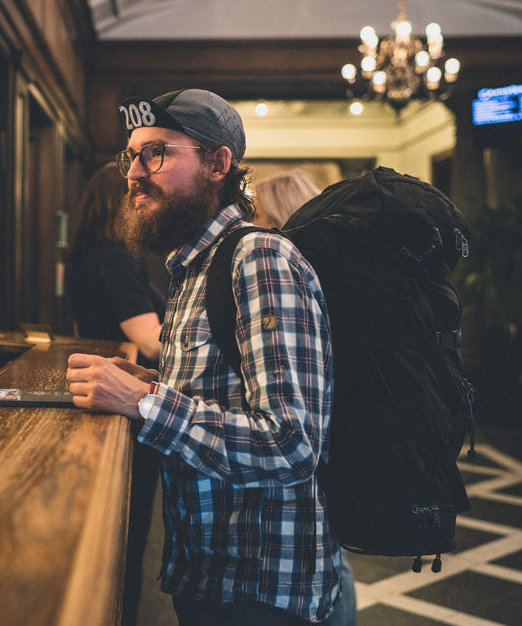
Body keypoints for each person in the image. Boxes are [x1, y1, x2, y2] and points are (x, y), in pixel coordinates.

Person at [66, 89, 340, 625]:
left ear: (219, 163)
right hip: (212, 571)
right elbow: (226, 387)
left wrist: (145, 400)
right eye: (132, 156)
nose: (134, 173)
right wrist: (146, 378)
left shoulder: (260, 257)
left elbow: (290, 443)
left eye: (157, 152)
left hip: (261, 586)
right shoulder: (195, 265)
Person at [254, 169, 357, 626]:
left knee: (321, 552)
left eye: (257, 217)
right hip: (346, 442)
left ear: (279, 220)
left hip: (319, 452)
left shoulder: (285, 273)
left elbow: (290, 433)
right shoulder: (343, 274)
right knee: (330, 555)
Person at [66, 161, 166, 626]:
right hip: (122, 400)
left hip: (106, 394)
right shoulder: (115, 258)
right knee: (128, 535)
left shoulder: (87, 255)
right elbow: (149, 339)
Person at [67, 161, 165, 365]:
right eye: (138, 198)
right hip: (125, 381)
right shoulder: (116, 261)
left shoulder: (89, 255)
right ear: (121, 204)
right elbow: (152, 345)